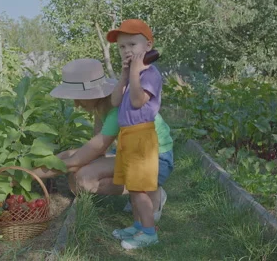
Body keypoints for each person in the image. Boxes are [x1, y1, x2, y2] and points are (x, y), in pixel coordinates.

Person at [32, 57, 173, 240]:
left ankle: (149, 190)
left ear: (94, 93)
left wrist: (29, 174)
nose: (76, 104)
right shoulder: (102, 104)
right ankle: (142, 192)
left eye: (79, 97)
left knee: (83, 180)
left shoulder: (117, 109)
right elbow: (95, 147)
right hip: (131, 151)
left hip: (155, 159)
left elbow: (79, 161)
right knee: (72, 168)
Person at [106, 18, 164, 249]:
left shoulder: (150, 74)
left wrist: (135, 73)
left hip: (141, 138)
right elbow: (115, 101)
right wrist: (124, 75)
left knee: (141, 189)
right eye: (122, 47)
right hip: (127, 137)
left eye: (132, 45)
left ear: (148, 46)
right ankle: (138, 226)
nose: (126, 50)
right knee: (132, 186)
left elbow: (139, 101)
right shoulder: (131, 74)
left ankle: (150, 233)